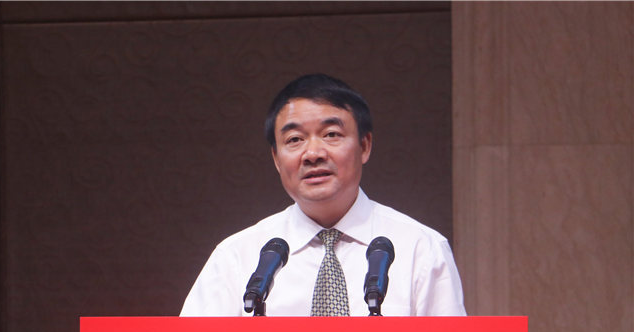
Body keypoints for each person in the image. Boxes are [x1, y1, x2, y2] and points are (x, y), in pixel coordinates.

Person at [180, 74, 465, 317]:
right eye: (294, 140)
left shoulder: (420, 248)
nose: (313, 153)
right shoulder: (236, 257)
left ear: (365, 146)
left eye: (331, 134)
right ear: (276, 158)